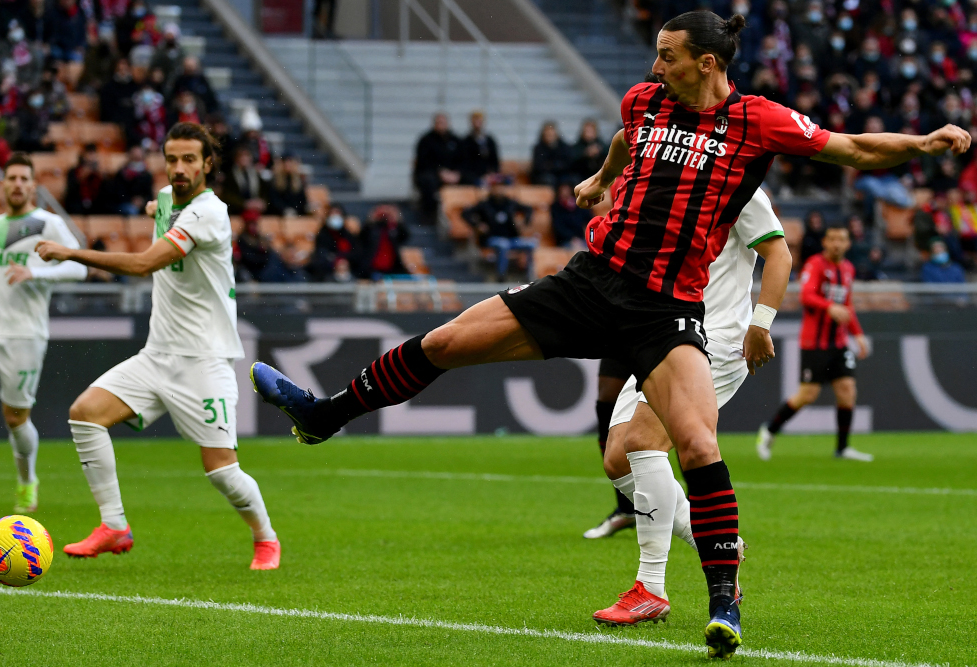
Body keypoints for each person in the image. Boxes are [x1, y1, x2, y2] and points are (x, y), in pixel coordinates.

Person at [247, 11, 970, 657]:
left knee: (698, 445)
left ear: (707, 63)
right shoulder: (644, 100)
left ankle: (723, 603)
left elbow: (854, 148)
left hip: (665, 309)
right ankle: (324, 415)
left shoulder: (758, 121)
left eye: (668, 55)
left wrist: (924, 144)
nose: (656, 66)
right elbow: (629, 138)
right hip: (590, 281)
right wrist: (600, 179)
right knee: (444, 343)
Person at [35, 122, 281, 570]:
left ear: (208, 163)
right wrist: (156, 209)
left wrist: (72, 253)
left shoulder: (210, 213)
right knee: (85, 414)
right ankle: (114, 526)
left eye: (189, 159)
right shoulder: (168, 198)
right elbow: (163, 206)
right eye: (172, 159)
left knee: (223, 472)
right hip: (157, 355)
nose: (179, 168)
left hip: (204, 361)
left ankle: (266, 538)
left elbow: (145, 263)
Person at [592, 187, 792, 624]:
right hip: (661, 333)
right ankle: (720, 545)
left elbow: (779, 255)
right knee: (617, 459)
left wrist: (761, 323)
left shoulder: (739, 186)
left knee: (644, 441)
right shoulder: (671, 178)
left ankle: (651, 588)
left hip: (714, 338)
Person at [0, 153, 87, 515]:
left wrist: (36, 273)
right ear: (3, 184)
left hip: (25, 335)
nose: (18, 184)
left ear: (34, 186)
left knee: (15, 418)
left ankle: (27, 481)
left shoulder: (49, 224)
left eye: (24, 179)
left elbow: (80, 268)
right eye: (12, 178)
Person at [757, 225, 873, 462]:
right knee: (807, 395)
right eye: (832, 239)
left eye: (841, 239)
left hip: (838, 342)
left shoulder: (848, 269)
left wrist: (858, 334)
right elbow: (806, 295)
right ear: (825, 243)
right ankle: (769, 429)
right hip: (814, 343)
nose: (837, 244)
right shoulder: (815, 265)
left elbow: (847, 305)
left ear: (848, 244)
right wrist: (829, 307)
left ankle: (842, 448)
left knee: (847, 391)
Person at [583, 358, 636, 539]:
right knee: (608, 395)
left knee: (677, 401)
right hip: (622, 339)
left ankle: (695, 503)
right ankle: (628, 509)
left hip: (668, 340)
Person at [461, 175, 537, 281]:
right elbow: (466, 213)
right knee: (502, 244)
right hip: (491, 238)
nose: (499, 189)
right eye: (496, 186)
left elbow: (528, 209)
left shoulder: (510, 203)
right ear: (491, 188)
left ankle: (529, 276)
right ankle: (501, 276)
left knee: (531, 244)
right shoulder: (485, 204)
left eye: (502, 186)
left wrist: (524, 222)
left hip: (511, 238)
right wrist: (477, 225)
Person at [413, 113, 461, 224]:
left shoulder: (455, 140)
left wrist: (457, 173)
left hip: (452, 174)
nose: (441, 125)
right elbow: (423, 162)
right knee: (428, 181)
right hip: (433, 173)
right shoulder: (426, 140)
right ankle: (429, 215)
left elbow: (462, 159)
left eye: (443, 123)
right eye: (438, 123)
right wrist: (440, 172)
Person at [361, 204, 409, 277]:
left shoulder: (393, 228)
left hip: (392, 266)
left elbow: (405, 236)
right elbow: (362, 236)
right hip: (373, 266)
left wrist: (396, 219)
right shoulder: (372, 228)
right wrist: (372, 218)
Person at [110, 145, 154, 216]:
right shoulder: (122, 174)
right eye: (135, 158)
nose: (137, 162)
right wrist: (132, 200)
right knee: (132, 210)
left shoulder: (147, 175)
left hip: (142, 205)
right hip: (125, 204)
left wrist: (142, 201)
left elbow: (149, 194)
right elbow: (118, 194)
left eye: (139, 159)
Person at [459, 110, 500, 185]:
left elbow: (495, 161)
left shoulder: (489, 140)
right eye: (475, 120)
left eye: (479, 120)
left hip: (488, 176)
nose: (477, 123)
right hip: (473, 177)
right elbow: (465, 164)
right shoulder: (466, 141)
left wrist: (491, 174)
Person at [550, 181, 592, 248]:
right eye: (563, 190)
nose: (565, 192)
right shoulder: (556, 207)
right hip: (565, 241)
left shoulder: (579, 205)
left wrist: (590, 238)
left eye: (567, 189)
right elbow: (558, 227)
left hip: (581, 240)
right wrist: (572, 238)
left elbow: (591, 221)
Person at [64, 145, 105, 215]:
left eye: (93, 154)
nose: (91, 157)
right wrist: (81, 178)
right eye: (89, 153)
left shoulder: (98, 172)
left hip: (95, 203)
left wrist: (102, 177)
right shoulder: (74, 171)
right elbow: (70, 190)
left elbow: (104, 191)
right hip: (77, 202)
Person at [530, 121, 569, 187]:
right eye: (547, 134)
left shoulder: (564, 147)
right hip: (544, 177)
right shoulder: (538, 148)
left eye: (551, 134)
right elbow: (538, 167)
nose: (549, 137)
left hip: (561, 175)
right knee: (549, 180)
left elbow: (567, 164)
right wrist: (555, 166)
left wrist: (551, 165)